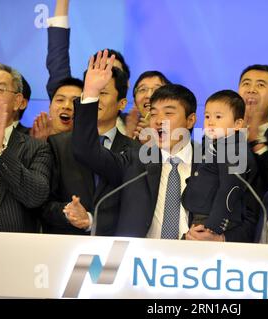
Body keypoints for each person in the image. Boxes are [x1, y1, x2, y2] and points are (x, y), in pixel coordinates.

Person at [72, 50, 256, 242]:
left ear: (190, 120)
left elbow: (249, 219)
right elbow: (86, 150)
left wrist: (221, 239)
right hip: (140, 263)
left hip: (199, 264)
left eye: (168, 113)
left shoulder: (215, 159)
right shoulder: (134, 160)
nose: (159, 121)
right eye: (154, 113)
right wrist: (91, 93)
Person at [42, 68, 136, 235]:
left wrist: (91, 220)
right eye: (92, 93)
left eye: (103, 92)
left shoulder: (135, 151)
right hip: (65, 246)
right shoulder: (58, 144)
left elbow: (135, 209)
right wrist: (69, 212)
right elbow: (44, 204)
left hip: (117, 249)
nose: (96, 99)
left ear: (122, 103)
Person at [0, 63, 51, 232]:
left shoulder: (36, 148)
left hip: (17, 250)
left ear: (17, 102)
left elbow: (36, 197)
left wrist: (0, 153)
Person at [46, 0, 131, 135]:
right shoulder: (75, 101)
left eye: (112, 72)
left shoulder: (135, 124)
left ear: (126, 85)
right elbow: (57, 58)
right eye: (98, 72)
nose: (103, 79)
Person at [183, 90, 257, 237]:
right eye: (207, 116)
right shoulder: (207, 144)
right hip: (198, 218)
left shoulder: (234, 149)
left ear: (237, 124)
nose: (210, 121)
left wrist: (215, 225)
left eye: (218, 117)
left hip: (216, 221)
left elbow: (229, 188)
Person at [238, 64, 268, 198]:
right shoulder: (221, 133)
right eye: (246, 83)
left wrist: (256, 141)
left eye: (260, 85)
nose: (251, 90)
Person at [127, 71, 172, 143]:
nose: (149, 95)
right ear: (134, 101)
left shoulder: (178, 131)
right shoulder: (123, 124)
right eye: (142, 89)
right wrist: (128, 135)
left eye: (157, 90)